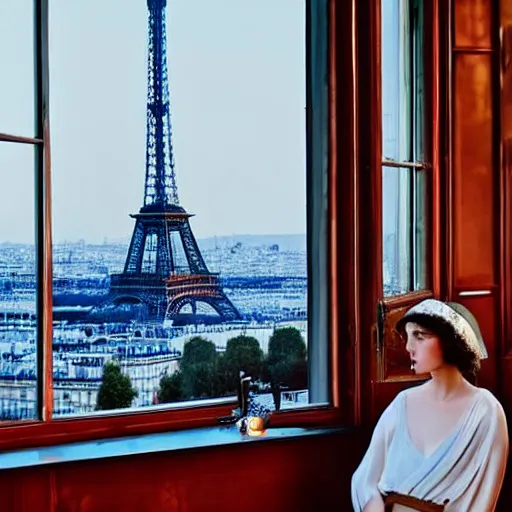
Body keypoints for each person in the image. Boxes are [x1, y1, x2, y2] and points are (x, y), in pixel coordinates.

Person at [351, 298, 509, 511]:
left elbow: (483, 500)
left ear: (449, 340)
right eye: (407, 337)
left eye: (419, 336)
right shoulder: (402, 403)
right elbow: (365, 479)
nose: (408, 347)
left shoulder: (485, 411)